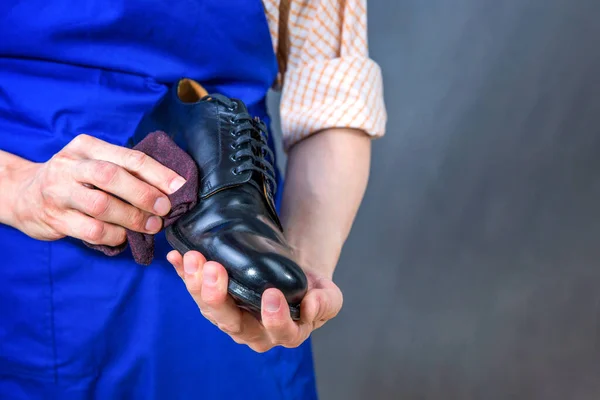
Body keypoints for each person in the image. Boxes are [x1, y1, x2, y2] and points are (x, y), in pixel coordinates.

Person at [0, 0, 386, 398]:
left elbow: (330, 88)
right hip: (25, 262)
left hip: (232, 255)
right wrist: (16, 188)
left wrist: (302, 263)